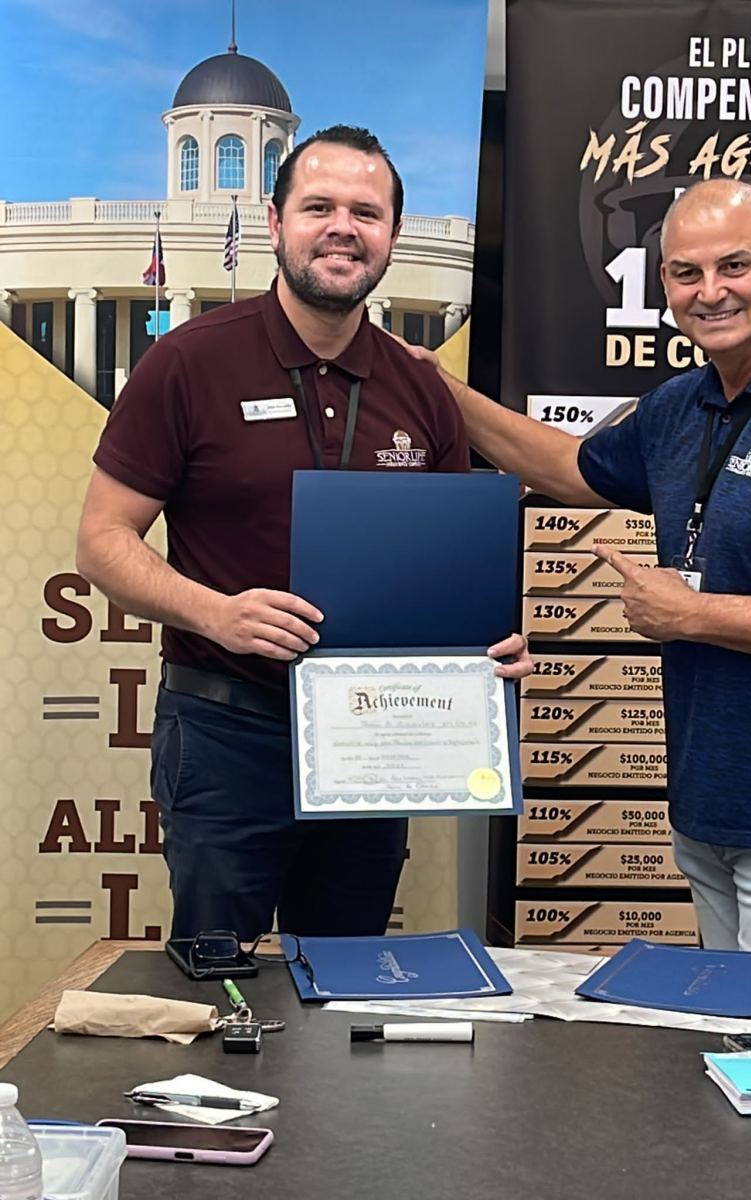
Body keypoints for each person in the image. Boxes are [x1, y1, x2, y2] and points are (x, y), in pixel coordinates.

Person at [401, 178, 751, 956]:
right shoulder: (682, 406)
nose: (709, 292)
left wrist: (690, 614)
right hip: (706, 810)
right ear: (664, 284)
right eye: (686, 273)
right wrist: (438, 388)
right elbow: (567, 467)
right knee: (723, 1023)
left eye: (733, 266)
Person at [76, 124, 531, 942]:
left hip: (374, 735)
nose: (342, 228)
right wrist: (216, 613)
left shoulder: (423, 392)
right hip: (226, 730)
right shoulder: (187, 363)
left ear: (392, 234)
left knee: (346, 982)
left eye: (366, 212)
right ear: (274, 221)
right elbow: (102, 541)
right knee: (221, 978)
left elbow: (443, 569)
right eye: (318, 207)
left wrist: (481, 652)